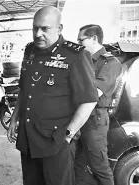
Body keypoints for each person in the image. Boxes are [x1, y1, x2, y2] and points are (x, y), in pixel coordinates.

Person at [6, 6, 99, 185]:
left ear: (59, 28)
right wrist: (14, 118)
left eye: (45, 29)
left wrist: (69, 134)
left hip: (55, 141)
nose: (38, 33)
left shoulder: (76, 55)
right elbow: (24, 89)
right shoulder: (30, 51)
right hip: (29, 138)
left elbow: (89, 100)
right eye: (35, 28)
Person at [75, 24, 122, 185]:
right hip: (78, 118)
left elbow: (95, 92)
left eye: (81, 40)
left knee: (99, 166)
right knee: (77, 165)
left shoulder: (110, 62)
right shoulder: (83, 60)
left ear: (93, 38)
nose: (78, 44)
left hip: (94, 121)